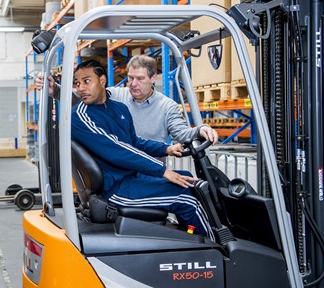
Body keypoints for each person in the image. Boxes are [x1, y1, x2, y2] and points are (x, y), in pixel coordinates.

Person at [71, 60, 213, 239]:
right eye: (77, 83)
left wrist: (166, 149)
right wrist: (162, 171)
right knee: (186, 198)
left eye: (86, 81)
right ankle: (215, 248)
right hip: (114, 189)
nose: (80, 88)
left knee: (188, 180)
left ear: (102, 80)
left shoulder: (119, 108)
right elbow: (118, 150)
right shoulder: (81, 116)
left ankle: (190, 235)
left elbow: (134, 143)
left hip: (130, 177)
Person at [36, 55, 219, 155]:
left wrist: (200, 129)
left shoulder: (166, 106)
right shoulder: (117, 95)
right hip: (122, 167)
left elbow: (182, 133)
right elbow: (86, 97)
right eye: (130, 78)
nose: (133, 84)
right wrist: (56, 90)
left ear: (153, 78)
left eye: (140, 79)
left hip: (150, 169)